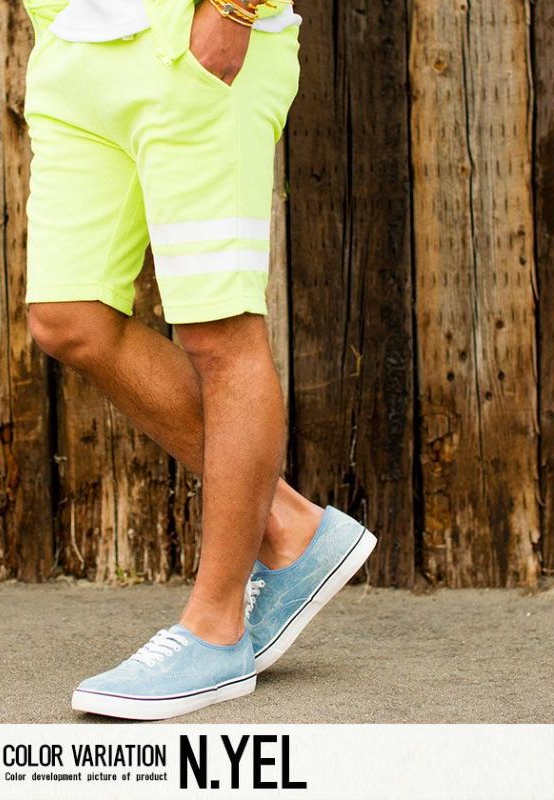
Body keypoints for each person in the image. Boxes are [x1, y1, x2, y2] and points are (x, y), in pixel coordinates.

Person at [22, 0, 377, 720]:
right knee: (68, 319)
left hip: (193, 47)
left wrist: (235, 10)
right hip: (74, 48)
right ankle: (290, 526)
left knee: (219, 333)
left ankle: (217, 630)